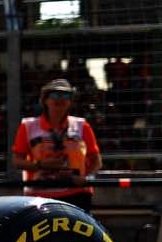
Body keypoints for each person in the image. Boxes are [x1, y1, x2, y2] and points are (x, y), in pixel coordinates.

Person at [13, 77, 102, 212]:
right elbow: (17, 161)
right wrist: (41, 165)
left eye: (65, 95)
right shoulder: (28, 126)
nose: (60, 99)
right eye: (54, 94)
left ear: (70, 101)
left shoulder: (82, 126)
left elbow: (96, 161)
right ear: (45, 100)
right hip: (39, 195)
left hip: (76, 194)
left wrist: (85, 178)